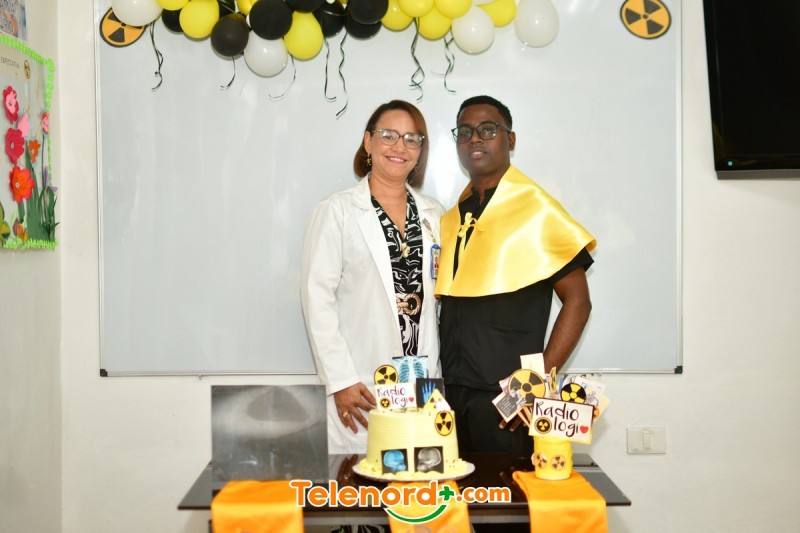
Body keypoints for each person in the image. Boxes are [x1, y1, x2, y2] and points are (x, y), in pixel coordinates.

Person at [435, 95, 596, 456]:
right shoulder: (454, 216)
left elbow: (579, 302)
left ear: (510, 139)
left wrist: (533, 386)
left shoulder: (537, 209)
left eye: (488, 129)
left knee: (509, 492)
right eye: (465, 132)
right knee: (457, 491)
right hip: (451, 392)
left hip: (506, 399)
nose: (475, 139)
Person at [300, 100, 444, 455]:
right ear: (368, 142)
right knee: (360, 481)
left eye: (411, 139)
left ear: (420, 150)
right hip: (362, 384)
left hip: (423, 385)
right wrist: (341, 380)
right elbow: (317, 299)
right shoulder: (337, 211)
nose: (400, 146)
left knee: (418, 480)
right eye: (388, 135)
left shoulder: (434, 214)